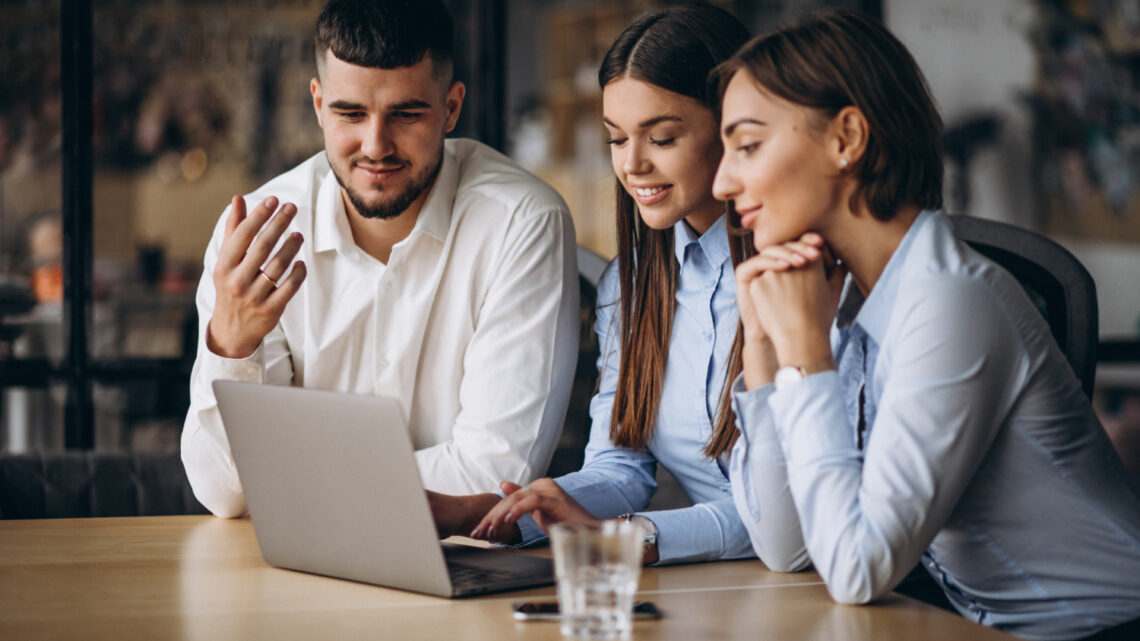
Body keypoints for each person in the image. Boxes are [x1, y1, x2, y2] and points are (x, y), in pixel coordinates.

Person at [712, 10, 1140, 640]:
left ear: (846, 138)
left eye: (747, 145)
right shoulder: (846, 295)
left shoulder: (950, 301)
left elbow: (857, 570)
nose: (723, 180)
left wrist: (807, 354)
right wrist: (765, 349)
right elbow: (787, 546)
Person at [181, 0, 579, 518]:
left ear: (452, 108)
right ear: (318, 104)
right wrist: (232, 346)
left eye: (406, 114)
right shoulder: (255, 234)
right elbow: (224, 493)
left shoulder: (520, 222)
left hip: (462, 572)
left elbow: (492, 478)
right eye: (350, 113)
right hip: (289, 572)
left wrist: (286, 480)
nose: (376, 146)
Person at [430, 3, 758, 567]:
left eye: (661, 137)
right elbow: (620, 468)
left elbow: (787, 520)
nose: (632, 165)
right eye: (616, 138)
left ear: (734, 130)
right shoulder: (629, 287)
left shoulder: (802, 280)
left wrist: (633, 538)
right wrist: (498, 516)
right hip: (736, 588)